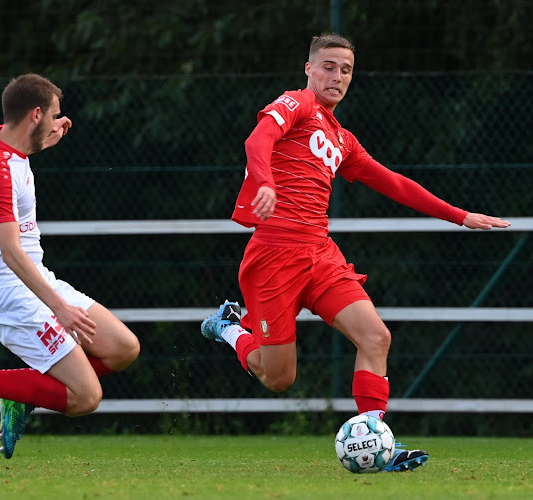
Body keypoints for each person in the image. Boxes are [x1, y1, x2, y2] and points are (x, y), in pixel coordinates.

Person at [201, 34, 511, 472]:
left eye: (346, 70)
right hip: (273, 256)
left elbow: (393, 183)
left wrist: (461, 216)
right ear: (308, 69)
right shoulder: (298, 104)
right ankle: (231, 328)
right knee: (279, 378)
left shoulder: (341, 139)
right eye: (328, 66)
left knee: (376, 337)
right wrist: (265, 182)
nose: (337, 76)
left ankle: (376, 442)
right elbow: (257, 140)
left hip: (320, 254)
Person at [0, 73, 140, 459]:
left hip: (34, 278)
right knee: (86, 397)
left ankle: (21, 396)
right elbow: (10, 251)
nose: (59, 120)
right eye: (54, 115)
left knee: (123, 348)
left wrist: (49, 135)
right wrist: (61, 309)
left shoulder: (1, 138)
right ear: (35, 114)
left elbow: (19, 155)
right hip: (7, 292)